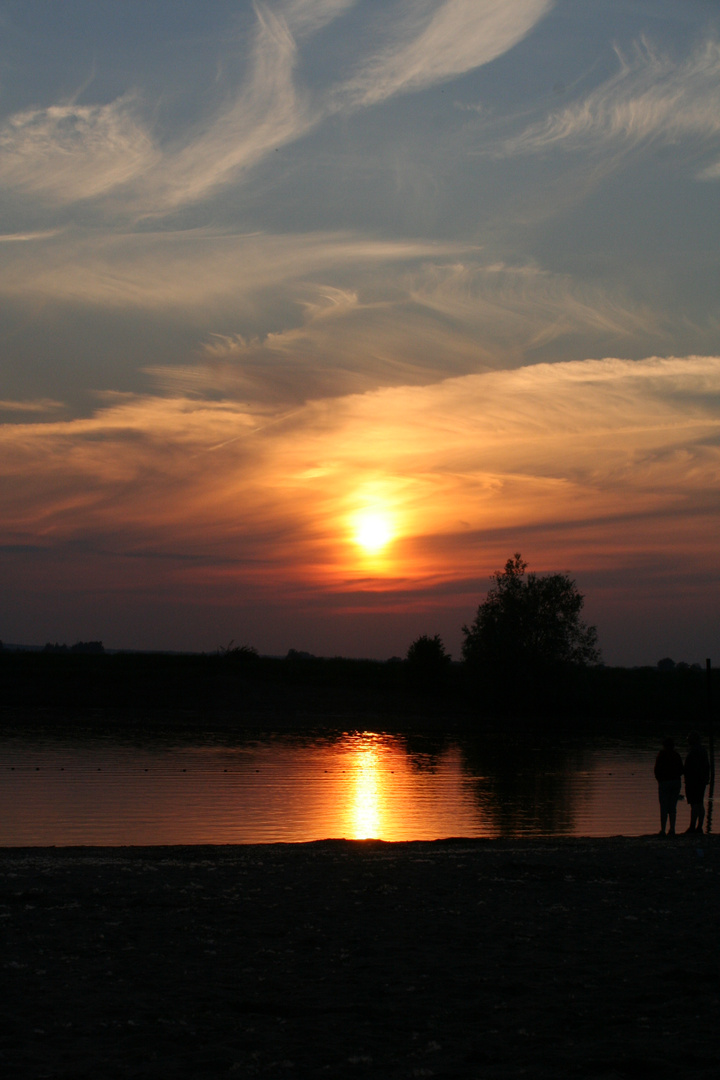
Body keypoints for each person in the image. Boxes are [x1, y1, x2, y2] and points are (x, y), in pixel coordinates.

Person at [654, 737, 683, 836]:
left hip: (664, 783)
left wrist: (660, 780)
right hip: (675, 782)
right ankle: (672, 829)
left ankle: (663, 830)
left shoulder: (661, 755)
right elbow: (681, 769)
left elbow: (656, 769)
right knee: (672, 807)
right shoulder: (676, 755)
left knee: (664, 807)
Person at [684, 731, 710, 834]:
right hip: (701, 780)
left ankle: (692, 827)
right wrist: (706, 777)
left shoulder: (694, 751)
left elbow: (690, 767)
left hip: (694, 781)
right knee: (699, 803)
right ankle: (699, 826)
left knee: (695, 804)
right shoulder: (703, 750)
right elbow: (707, 766)